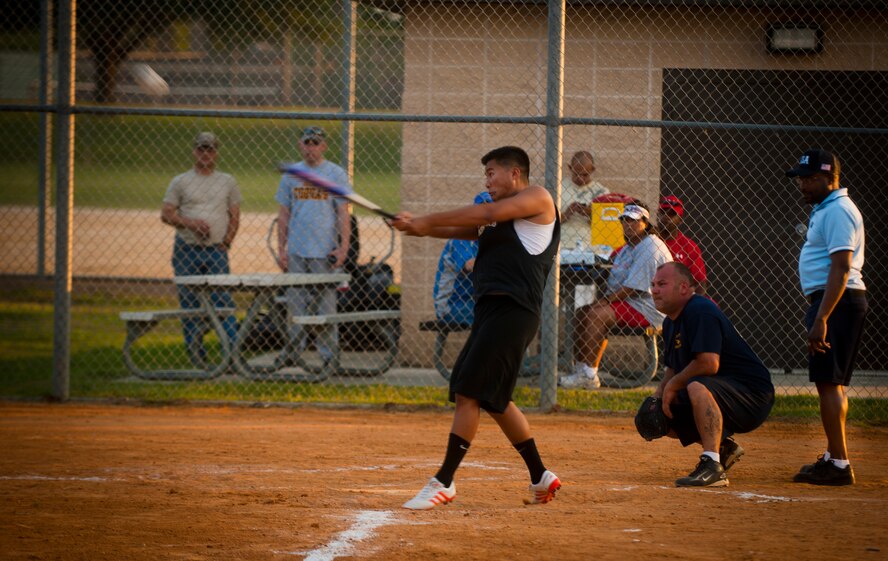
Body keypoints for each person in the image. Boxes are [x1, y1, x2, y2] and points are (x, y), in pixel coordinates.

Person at [393, 146, 561, 510]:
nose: (487, 180)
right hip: (491, 311)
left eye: (491, 173)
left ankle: (445, 481)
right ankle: (540, 476)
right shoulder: (499, 218)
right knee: (492, 397)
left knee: (469, 391)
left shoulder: (537, 197)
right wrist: (419, 229)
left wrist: (426, 218)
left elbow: (485, 212)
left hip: (513, 311)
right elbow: (468, 226)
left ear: (515, 173)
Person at [650, 262, 775, 487]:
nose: (654, 290)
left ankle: (712, 465)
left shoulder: (700, 310)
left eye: (662, 284)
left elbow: (709, 364)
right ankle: (724, 448)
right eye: (653, 285)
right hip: (721, 391)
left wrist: (673, 385)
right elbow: (672, 369)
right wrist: (659, 396)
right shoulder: (670, 323)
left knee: (696, 385)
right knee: (657, 416)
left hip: (752, 395)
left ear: (684, 288)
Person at [787, 149, 868, 486]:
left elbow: (841, 267)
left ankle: (839, 463)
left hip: (836, 303)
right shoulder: (827, 209)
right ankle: (835, 456)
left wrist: (822, 317)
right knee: (829, 383)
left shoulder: (838, 211)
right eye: (801, 179)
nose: (803, 185)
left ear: (830, 179)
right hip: (834, 302)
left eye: (810, 179)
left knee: (828, 384)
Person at [561, 202, 672, 389]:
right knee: (582, 311)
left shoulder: (650, 246)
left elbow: (633, 288)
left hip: (650, 307)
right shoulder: (629, 247)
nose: (628, 225)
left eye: (634, 221)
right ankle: (582, 370)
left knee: (596, 314)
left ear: (645, 223)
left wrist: (604, 301)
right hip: (631, 302)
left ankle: (589, 374)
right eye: (625, 221)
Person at [275, 126, 352, 367]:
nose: (311, 148)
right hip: (297, 250)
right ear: (301, 145)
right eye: (307, 143)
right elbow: (284, 213)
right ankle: (293, 352)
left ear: (323, 146)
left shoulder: (335, 173)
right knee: (295, 304)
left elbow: (343, 213)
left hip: (324, 250)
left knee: (325, 306)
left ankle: (329, 356)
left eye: (316, 143)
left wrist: (343, 247)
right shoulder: (292, 174)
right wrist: (281, 249)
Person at [161, 132, 241, 362]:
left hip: (216, 251)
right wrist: (191, 224)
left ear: (216, 152)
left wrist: (226, 242)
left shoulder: (227, 181)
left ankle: (232, 355)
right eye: (201, 149)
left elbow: (235, 215)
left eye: (210, 149)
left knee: (223, 302)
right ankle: (197, 356)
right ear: (194, 151)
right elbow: (166, 214)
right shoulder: (181, 181)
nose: (205, 153)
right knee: (190, 304)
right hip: (187, 248)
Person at [433, 191, 493, 327]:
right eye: (481, 210)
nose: (486, 216)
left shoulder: (488, 238)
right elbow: (470, 265)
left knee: (508, 311)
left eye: (491, 211)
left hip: (472, 302)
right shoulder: (462, 237)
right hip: (450, 305)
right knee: (498, 316)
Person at [657, 195, 708, 294]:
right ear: (657, 215)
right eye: (663, 212)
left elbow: (700, 282)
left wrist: (692, 305)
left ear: (680, 219)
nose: (666, 217)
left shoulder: (689, 246)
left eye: (672, 214)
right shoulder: (648, 241)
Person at [561, 150, 610, 250]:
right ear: (570, 168)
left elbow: (608, 227)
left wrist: (591, 214)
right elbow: (546, 222)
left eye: (585, 175)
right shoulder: (558, 188)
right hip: (563, 244)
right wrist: (566, 214)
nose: (580, 178)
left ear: (592, 170)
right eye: (576, 174)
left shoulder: (601, 192)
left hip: (592, 247)